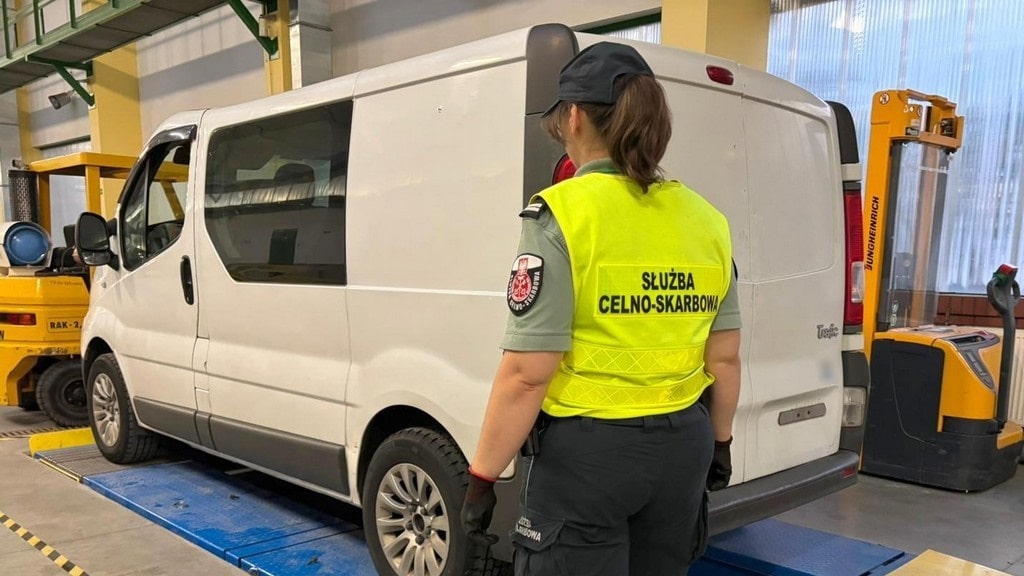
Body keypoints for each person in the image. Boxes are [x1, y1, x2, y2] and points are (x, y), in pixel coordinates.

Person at [460, 42, 742, 575]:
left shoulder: (563, 213)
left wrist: (481, 479)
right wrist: (721, 443)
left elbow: (526, 374)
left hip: (588, 462)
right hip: (685, 447)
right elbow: (724, 359)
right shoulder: (707, 220)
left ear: (573, 116)